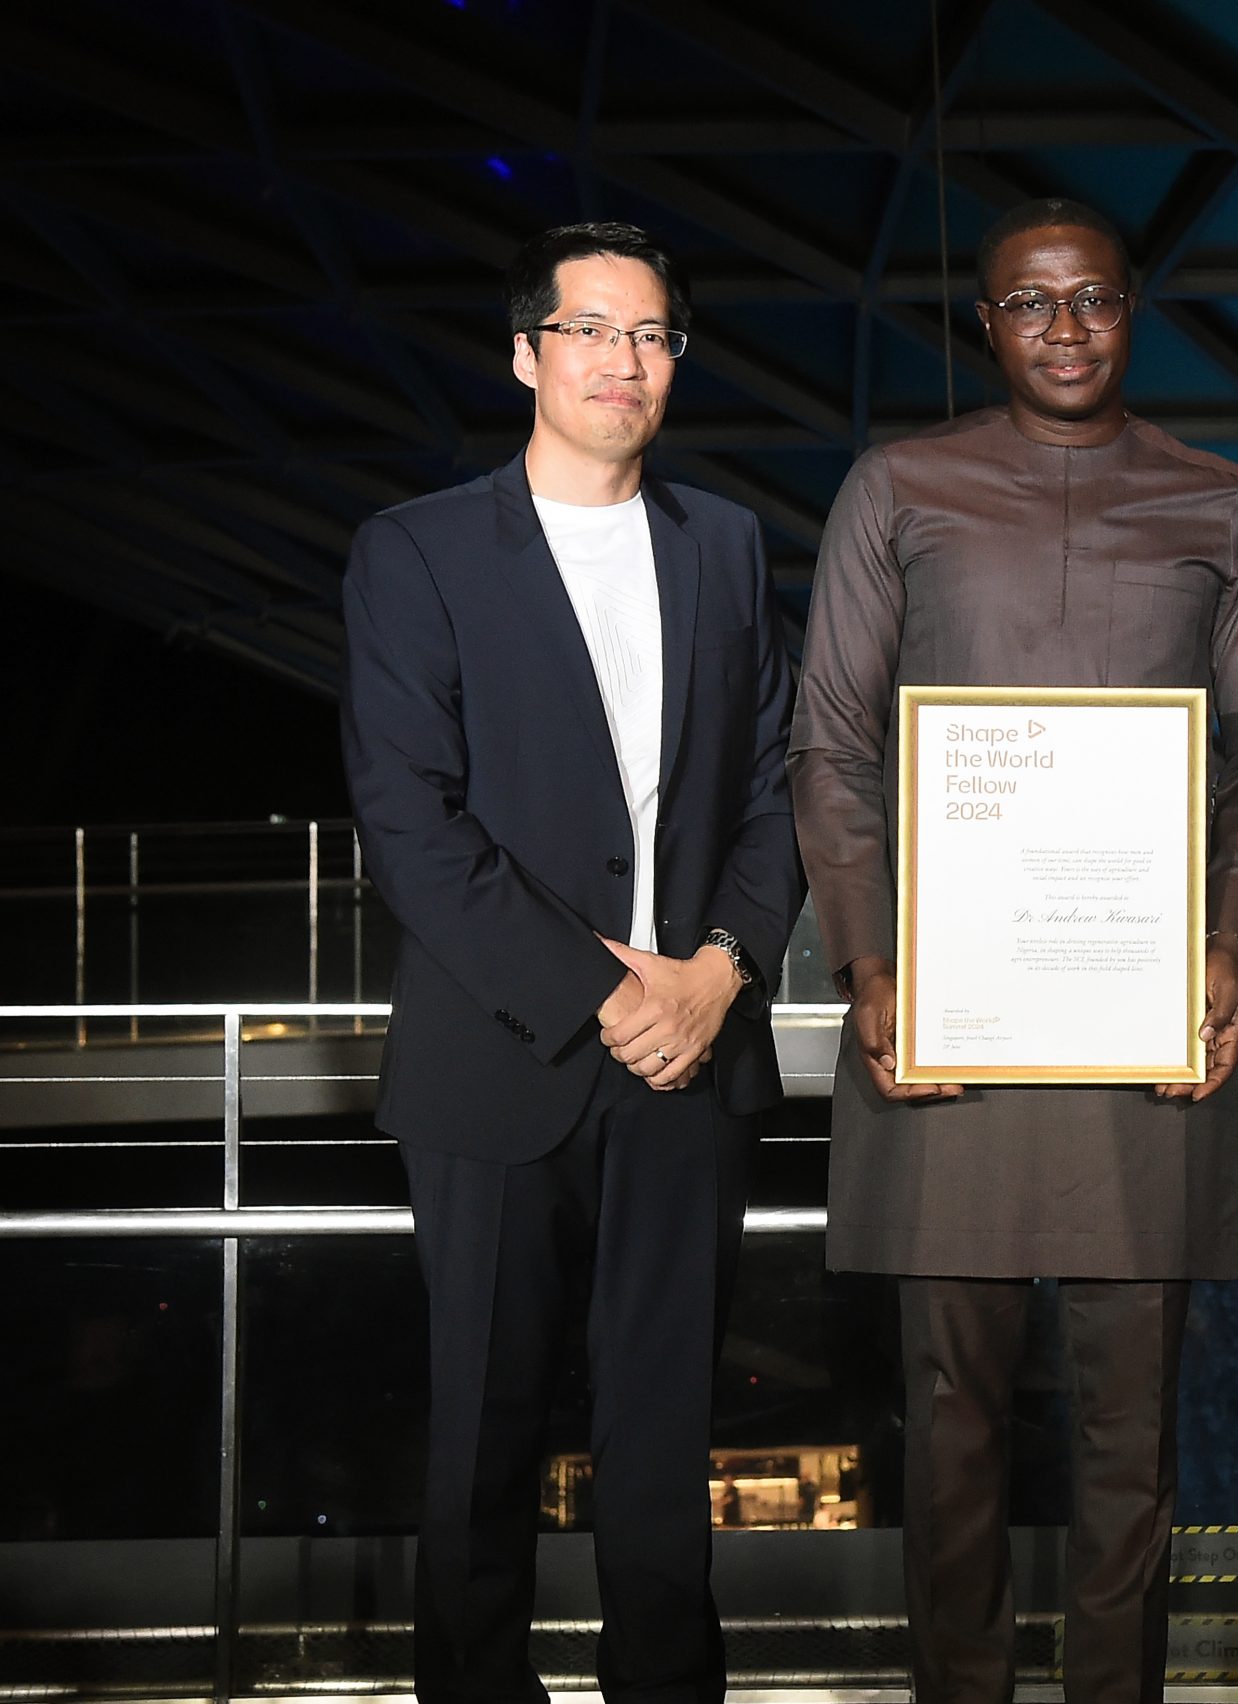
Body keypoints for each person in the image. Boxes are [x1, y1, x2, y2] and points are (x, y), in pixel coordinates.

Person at [787, 197, 1238, 1704]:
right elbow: (831, 746)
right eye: (1031, 304)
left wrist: (1230, 944)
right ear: (987, 323)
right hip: (943, 1019)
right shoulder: (900, 490)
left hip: (1143, 1036)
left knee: (1131, 1445)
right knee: (947, 1430)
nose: (1066, 328)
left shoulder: (1224, 508)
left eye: (1092, 299)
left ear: (1133, 309)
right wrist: (870, 966)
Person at [340, 219, 800, 1704]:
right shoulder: (415, 549)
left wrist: (721, 971)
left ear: (674, 366)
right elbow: (412, 823)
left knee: (666, 1455)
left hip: (694, 1058)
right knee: (482, 1448)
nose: (623, 359)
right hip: (504, 1056)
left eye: (651, 335)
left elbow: (778, 786)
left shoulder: (723, 545)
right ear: (527, 351)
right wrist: (618, 993)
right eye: (590, 330)